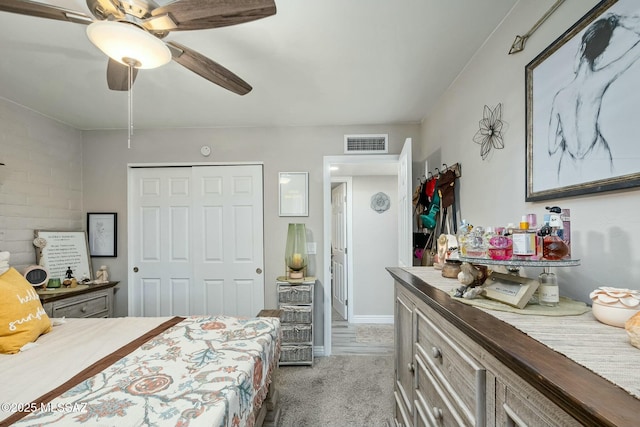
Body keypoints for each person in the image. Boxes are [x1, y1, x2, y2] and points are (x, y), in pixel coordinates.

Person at [547, 13, 640, 183]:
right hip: (597, 156)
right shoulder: (600, 79)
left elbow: (552, 147)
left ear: (581, 48)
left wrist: (566, 132)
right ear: (601, 56)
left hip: (569, 162)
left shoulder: (560, 97)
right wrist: (618, 21)